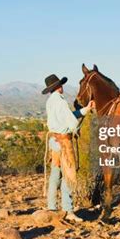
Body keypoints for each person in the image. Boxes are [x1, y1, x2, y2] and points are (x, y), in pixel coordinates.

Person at [42, 74, 95, 222]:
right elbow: (71, 122)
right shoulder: (60, 101)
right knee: (69, 176)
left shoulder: (51, 101)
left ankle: (52, 207)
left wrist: (85, 109)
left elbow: (68, 115)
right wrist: (76, 129)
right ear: (59, 86)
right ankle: (68, 210)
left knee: (55, 174)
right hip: (64, 142)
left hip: (54, 140)